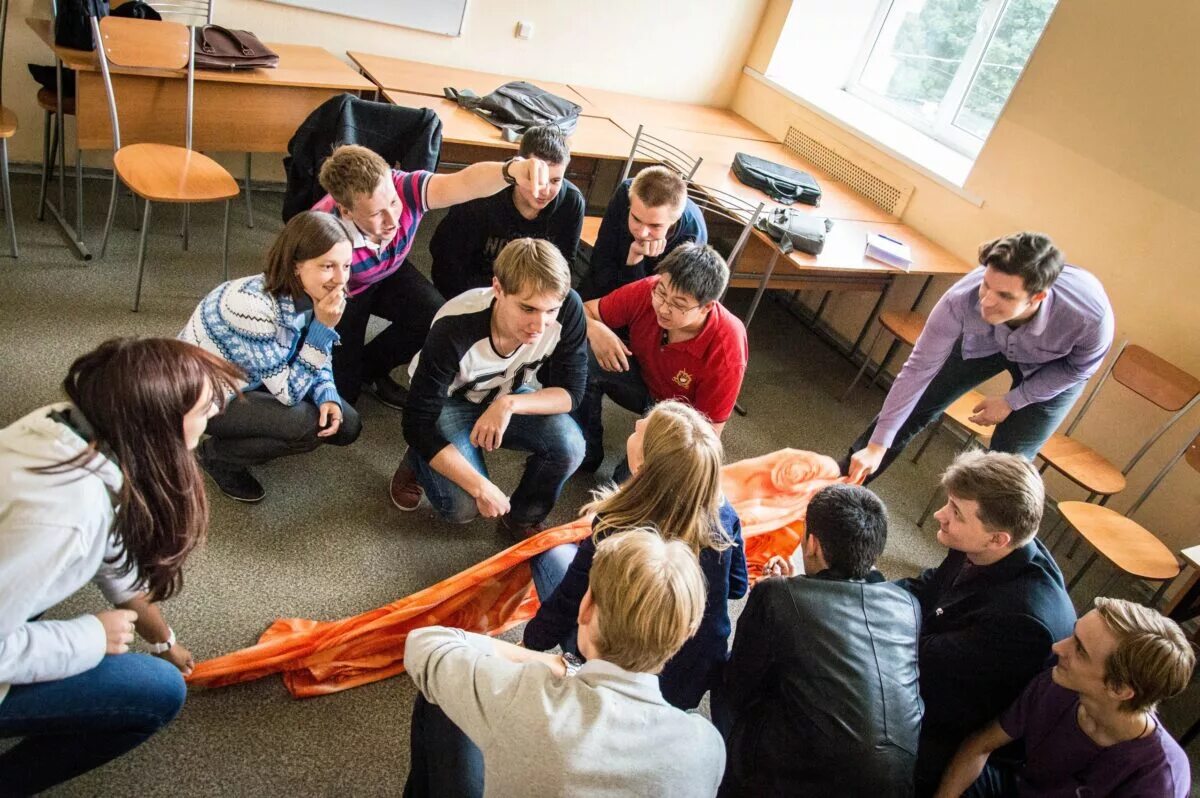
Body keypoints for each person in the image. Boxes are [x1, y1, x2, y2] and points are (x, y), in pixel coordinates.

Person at [0, 337, 242, 795]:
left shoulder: (73, 428)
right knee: (158, 693)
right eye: (206, 407)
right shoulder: (64, 518)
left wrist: (163, 639)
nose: (215, 416)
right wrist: (91, 635)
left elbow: (114, 556)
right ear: (162, 423)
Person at [403, 528, 725, 798]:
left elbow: (424, 644)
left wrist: (548, 662)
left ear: (585, 608)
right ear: (683, 636)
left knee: (444, 695)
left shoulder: (527, 693)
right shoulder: (706, 746)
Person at [523, 400, 748, 710]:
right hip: (687, 681)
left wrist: (527, 647)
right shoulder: (723, 516)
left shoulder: (615, 526)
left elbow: (569, 602)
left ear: (642, 469)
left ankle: (583, 669)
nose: (637, 425)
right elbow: (737, 587)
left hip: (621, 669)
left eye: (643, 430)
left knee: (551, 554)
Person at [847, 232, 1114, 483]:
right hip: (988, 341)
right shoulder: (961, 299)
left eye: (1004, 296)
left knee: (1007, 464)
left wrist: (1013, 401)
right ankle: (832, 492)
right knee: (915, 406)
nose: (986, 301)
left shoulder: (1090, 317)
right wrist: (876, 445)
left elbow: (1078, 369)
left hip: (1053, 367)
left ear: (1038, 297)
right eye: (986, 285)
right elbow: (917, 370)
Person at [311, 143, 554, 408]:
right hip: (345, 291)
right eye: (377, 214)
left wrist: (511, 170)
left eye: (392, 203)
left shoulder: (404, 188)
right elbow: (289, 296)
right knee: (344, 398)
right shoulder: (322, 233)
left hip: (389, 271)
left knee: (435, 317)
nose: (393, 219)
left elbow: (464, 183)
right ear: (346, 211)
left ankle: (369, 370)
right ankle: (348, 375)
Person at [719, 483, 923, 797]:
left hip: (796, 780)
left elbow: (739, 685)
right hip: (897, 783)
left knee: (725, 681)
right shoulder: (906, 605)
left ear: (812, 543)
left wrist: (779, 594)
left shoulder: (776, 596)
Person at [390, 238, 587, 553]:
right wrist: (481, 487)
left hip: (507, 392)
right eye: (528, 308)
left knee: (571, 445)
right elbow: (417, 423)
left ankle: (520, 518)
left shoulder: (569, 308)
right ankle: (416, 460)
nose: (540, 324)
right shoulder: (454, 327)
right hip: (447, 401)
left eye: (550, 310)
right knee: (463, 506)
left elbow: (572, 393)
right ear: (498, 288)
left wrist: (508, 404)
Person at [900, 450, 1077, 795]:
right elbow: (927, 589)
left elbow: (920, 659)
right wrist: (848, 590)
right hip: (946, 670)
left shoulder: (1023, 622)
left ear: (999, 539)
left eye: (955, 512)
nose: (940, 515)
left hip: (963, 727)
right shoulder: (985, 542)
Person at [181, 211, 363, 502]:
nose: (341, 279)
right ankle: (216, 457)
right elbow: (289, 393)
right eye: (328, 266)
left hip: (258, 374)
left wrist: (326, 391)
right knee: (304, 423)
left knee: (347, 424)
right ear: (295, 267)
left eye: (346, 265)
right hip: (205, 397)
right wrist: (323, 327)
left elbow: (318, 351)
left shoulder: (309, 292)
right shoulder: (253, 308)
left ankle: (251, 435)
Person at [936, 598, 1194, 798]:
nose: (1058, 647)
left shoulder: (1158, 780)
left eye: (1080, 650)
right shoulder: (1057, 683)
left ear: (1119, 689)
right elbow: (980, 746)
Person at [576, 242, 747, 475]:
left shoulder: (727, 346)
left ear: (706, 307)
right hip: (643, 381)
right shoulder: (649, 289)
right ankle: (586, 450)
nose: (663, 309)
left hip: (680, 418)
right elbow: (583, 310)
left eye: (678, 305)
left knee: (626, 488)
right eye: (662, 293)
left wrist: (657, 450)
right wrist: (596, 330)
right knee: (585, 353)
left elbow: (707, 434)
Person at [429, 124, 585, 300]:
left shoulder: (571, 202)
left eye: (555, 180)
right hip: (473, 291)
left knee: (572, 300)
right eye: (536, 178)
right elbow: (447, 257)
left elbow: (565, 266)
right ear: (519, 166)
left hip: (531, 297)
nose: (545, 190)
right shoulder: (485, 192)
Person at [578, 165, 707, 301]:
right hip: (606, 282)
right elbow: (601, 261)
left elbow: (658, 304)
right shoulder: (625, 193)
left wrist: (634, 260)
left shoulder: (693, 236)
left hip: (651, 307)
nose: (642, 233)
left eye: (655, 225)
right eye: (636, 219)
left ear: (674, 220)